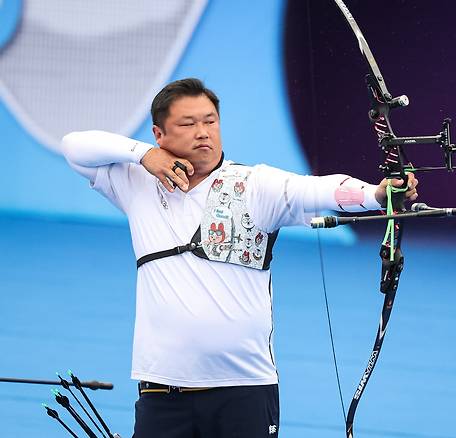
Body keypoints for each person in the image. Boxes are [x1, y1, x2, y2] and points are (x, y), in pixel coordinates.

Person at [60, 78, 418, 437]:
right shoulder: (136, 183)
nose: (203, 132)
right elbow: (73, 145)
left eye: (210, 121)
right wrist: (144, 156)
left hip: (244, 388)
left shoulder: (255, 184)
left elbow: (316, 190)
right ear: (159, 134)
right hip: (162, 388)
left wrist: (375, 194)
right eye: (188, 124)